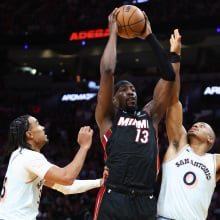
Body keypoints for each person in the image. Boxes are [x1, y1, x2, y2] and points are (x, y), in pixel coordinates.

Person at [93, 7, 177, 220]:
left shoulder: (150, 115)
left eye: (132, 88)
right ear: (113, 98)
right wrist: (113, 33)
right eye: (123, 89)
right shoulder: (108, 118)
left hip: (145, 199)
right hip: (114, 197)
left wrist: (148, 36)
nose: (131, 92)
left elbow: (169, 75)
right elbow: (108, 70)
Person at [157, 29, 219, 220]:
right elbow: (174, 100)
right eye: (196, 123)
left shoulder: (215, 161)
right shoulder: (178, 144)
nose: (196, 125)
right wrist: (175, 56)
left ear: (211, 138)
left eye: (202, 125)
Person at [0, 114, 103, 220]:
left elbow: (66, 187)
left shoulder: (19, 155)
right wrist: (84, 147)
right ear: (29, 134)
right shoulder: (29, 157)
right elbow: (67, 177)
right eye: (38, 125)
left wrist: (100, 182)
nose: (43, 127)